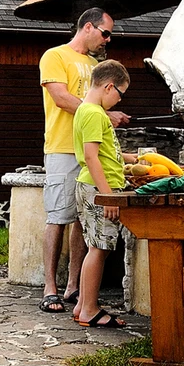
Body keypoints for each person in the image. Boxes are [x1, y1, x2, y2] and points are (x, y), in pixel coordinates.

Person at [38, 8, 130, 313]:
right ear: (87, 27)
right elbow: (61, 98)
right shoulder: (55, 56)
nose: (108, 39)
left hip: (90, 152)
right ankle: (49, 287)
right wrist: (104, 113)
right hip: (62, 148)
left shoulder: (97, 66)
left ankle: (75, 287)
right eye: (105, 33)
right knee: (58, 217)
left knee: (83, 221)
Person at [72, 59, 137, 328]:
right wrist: (108, 195)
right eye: (120, 94)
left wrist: (130, 159)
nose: (119, 100)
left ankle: (81, 305)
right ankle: (89, 308)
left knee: (97, 248)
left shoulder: (88, 112)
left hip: (95, 188)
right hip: (98, 190)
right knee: (99, 249)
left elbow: (105, 153)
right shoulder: (94, 113)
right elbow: (91, 157)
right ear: (109, 86)